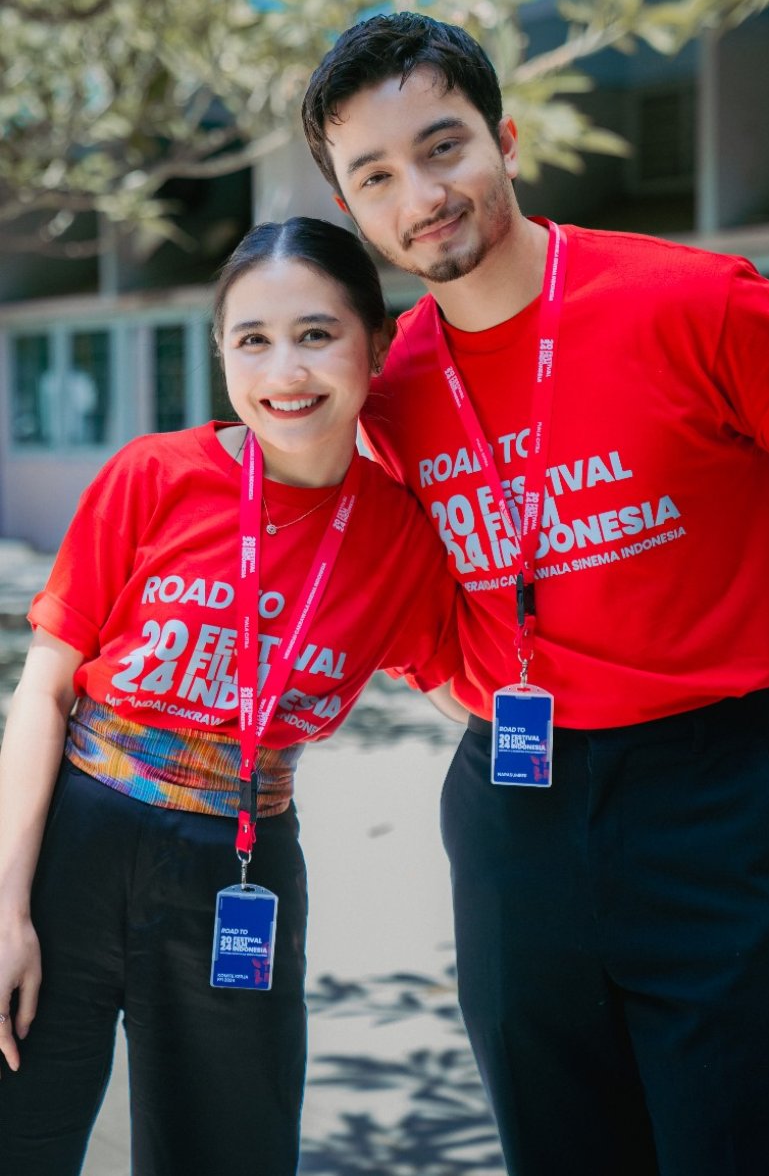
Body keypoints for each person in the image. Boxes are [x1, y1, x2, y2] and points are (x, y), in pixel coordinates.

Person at [300, 13, 769, 1176]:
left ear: (507, 139)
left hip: (703, 791)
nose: (422, 193)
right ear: (354, 208)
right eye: (376, 174)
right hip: (511, 815)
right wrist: (454, 681)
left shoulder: (692, 300)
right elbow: (373, 566)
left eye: (444, 145)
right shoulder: (392, 389)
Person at [0, 216, 462, 1176]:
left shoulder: (399, 538)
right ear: (222, 355)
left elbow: (464, 688)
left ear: (376, 346)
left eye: (316, 334)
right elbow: (44, 688)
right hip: (76, 850)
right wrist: (5, 908)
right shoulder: (154, 475)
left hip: (243, 867)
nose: (284, 370)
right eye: (252, 339)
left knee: (229, 1153)